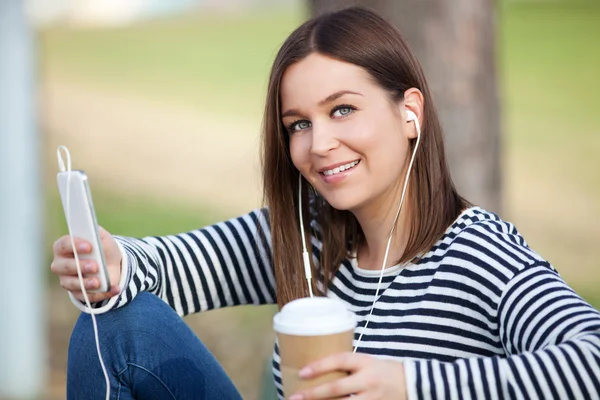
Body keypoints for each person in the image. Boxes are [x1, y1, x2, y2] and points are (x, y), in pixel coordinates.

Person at [50, 7, 600, 400]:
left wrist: (405, 386)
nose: (318, 145)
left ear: (410, 112)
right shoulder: (308, 234)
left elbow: (591, 363)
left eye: (342, 110)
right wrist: (112, 263)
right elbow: (168, 267)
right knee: (120, 325)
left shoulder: (479, 253)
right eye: (299, 124)